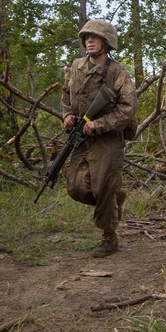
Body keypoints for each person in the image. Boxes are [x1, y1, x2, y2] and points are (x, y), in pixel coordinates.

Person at [61, 19, 137, 258]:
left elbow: (128, 107)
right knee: (75, 187)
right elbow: (65, 96)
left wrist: (100, 124)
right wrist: (66, 116)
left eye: (95, 37)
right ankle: (115, 199)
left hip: (107, 138)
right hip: (81, 137)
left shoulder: (117, 71)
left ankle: (108, 236)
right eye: (86, 38)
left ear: (106, 42)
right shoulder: (75, 67)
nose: (89, 41)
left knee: (103, 186)